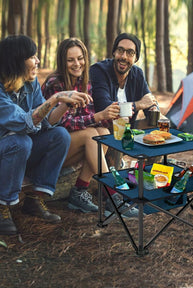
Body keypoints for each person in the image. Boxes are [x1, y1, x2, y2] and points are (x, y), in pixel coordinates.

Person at [0, 35, 91, 235]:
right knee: (21, 142)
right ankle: (3, 206)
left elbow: (46, 121)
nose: (38, 61)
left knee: (60, 135)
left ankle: (34, 200)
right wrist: (55, 97)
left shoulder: (29, 83)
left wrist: (64, 103)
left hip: (21, 150)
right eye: (32, 57)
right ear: (16, 61)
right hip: (5, 151)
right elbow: (24, 122)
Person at [42, 38, 139, 218]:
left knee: (102, 133)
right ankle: (113, 194)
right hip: (51, 150)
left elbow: (88, 119)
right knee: (91, 136)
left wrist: (111, 117)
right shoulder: (55, 83)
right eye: (71, 60)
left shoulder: (84, 82)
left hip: (73, 148)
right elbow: (63, 123)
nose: (77, 64)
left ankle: (79, 191)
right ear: (62, 61)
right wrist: (98, 116)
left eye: (80, 58)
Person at [89, 32, 161, 130]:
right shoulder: (99, 71)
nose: (124, 56)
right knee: (123, 120)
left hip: (127, 129)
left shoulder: (137, 74)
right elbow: (105, 107)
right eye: (120, 50)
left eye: (130, 53)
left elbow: (148, 100)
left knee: (159, 122)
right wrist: (138, 104)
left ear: (136, 58)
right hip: (103, 130)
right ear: (114, 52)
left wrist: (153, 109)